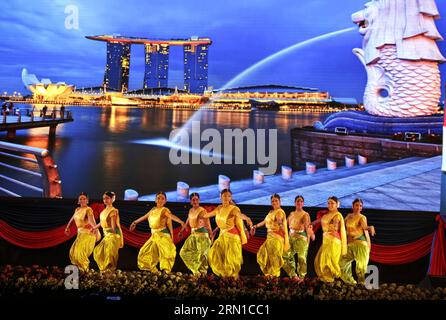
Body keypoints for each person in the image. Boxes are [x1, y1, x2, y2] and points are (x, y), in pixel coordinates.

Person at [130, 192, 185, 273]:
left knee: (166, 253)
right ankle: (154, 271)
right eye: (158, 198)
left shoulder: (164, 210)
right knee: (145, 252)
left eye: (162, 198)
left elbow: (171, 217)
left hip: (163, 235)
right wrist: (135, 222)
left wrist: (180, 221)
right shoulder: (153, 210)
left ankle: (166, 272)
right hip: (154, 236)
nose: (160, 200)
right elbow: (145, 216)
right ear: (155, 200)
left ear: (165, 201)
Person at [203, 189, 253, 278]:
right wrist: (200, 213)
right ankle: (225, 281)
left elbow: (239, 215)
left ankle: (234, 283)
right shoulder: (219, 208)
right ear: (221, 197)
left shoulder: (233, 208)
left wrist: (247, 218)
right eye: (224, 195)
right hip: (222, 236)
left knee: (232, 262)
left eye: (228, 196)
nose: (226, 197)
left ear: (231, 197)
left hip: (232, 238)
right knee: (214, 255)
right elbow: (207, 215)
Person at [251, 194, 289, 277]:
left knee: (274, 258)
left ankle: (274, 278)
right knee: (263, 256)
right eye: (273, 201)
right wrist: (255, 226)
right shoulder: (271, 212)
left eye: (276, 200)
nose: (274, 202)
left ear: (280, 202)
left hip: (276, 238)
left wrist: (280, 224)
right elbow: (264, 222)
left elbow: (279, 220)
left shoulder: (279, 212)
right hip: (269, 238)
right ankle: (269, 277)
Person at [340, 198, 376, 285]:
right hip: (350, 244)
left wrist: (370, 227)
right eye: (357, 205)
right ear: (352, 206)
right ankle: (350, 282)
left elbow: (364, 227)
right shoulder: (348, 216)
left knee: (360, 267)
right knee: (341, 263)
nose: (358, 207)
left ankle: (361, 285)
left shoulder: (362, 217)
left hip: (360, 244)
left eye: (360, 206)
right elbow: (341, 227)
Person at [178, 192, 213, 276]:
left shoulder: (202, 210)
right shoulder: (190, 210)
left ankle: (202, 275)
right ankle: (196, 271)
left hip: (202, 235)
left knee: (202, 256)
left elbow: (207, 222)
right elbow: (188, 220)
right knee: (183, 252)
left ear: (199, 200)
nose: (195, 201)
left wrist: (211, 233)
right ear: (190, 201)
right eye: (193, 200)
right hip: (193, 235)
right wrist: (182, 230)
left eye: (197, 199)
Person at [314, 196, 347, 283]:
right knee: (321, 260)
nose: (330, 205)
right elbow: (317, 221)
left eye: (332, 203)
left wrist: (335, 226)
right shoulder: (326, 215)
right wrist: (310, 225)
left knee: (329, 261)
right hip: (326, 240)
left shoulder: (337, 215)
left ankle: (330, 282)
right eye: (328, 203)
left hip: (333, 241)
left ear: (337, 204)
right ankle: (327, 281)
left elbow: (335, 225)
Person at [64, 193, 100, 272]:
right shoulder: (77, 209)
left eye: (84, 199)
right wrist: (67, 227)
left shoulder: (88, 209)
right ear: (78, 201)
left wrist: (96, 230)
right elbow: (73, 218)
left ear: (87, 200)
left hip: (88, 233)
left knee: (80, 253)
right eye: (81, 199)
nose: (82, 200)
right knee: (74, 253)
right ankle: (81, 271)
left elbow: (91, 221)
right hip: (80, 234)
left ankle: (85, 271)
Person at [282, 195, 314, 280]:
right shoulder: (292, 214)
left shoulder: (305, 214)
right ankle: (293, 275)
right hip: (291, 237)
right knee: (285, 257)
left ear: (303, 203)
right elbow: (285, 225)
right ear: (295, 203)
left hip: (301, 238)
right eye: (297, 201)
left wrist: (310, 238)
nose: (299, 203)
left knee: (301, 258)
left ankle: (301, 277)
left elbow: (307, 227)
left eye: (301, 201)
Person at [92, 191, 123, 271]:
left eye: (107, 198)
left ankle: (111, 272)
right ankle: (106, 272)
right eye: (104, 198)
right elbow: (102, 222)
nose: (105, 200)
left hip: (112, 235)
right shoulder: (103, 211)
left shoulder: (113, 210)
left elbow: (113, 226)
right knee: (98, 252)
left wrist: (113, 234)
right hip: (107, 235)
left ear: (112, 199)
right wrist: (94, 227)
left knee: (110, 255)